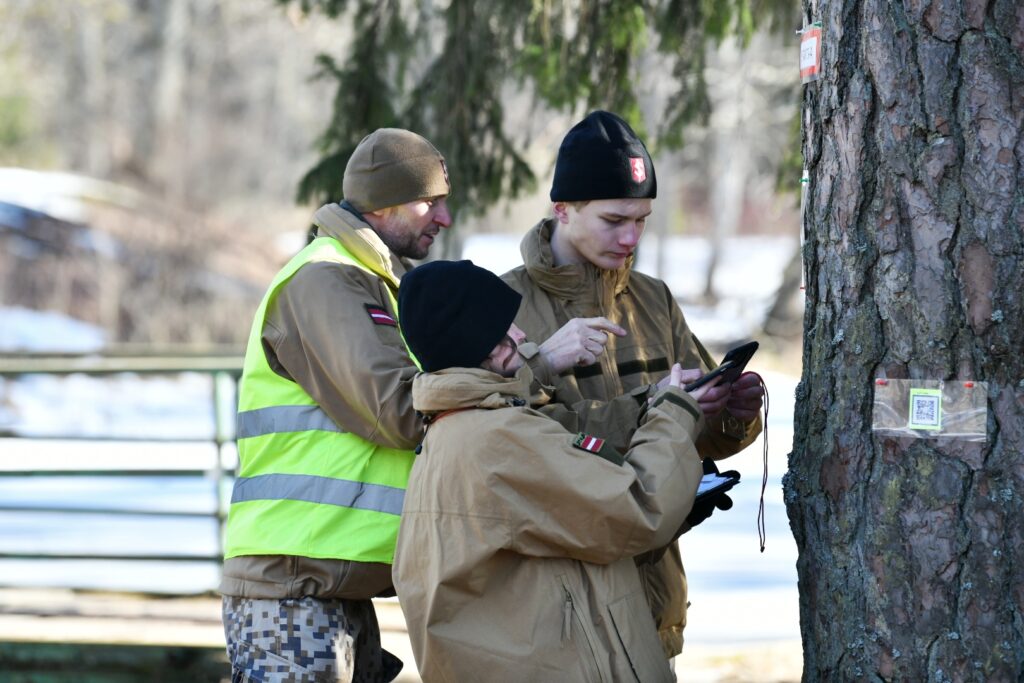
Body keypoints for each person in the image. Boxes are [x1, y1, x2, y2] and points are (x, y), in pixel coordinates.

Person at [501, 110, 765, 658]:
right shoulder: (503, 304)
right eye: (614, 219)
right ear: (563, 209)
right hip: (560, 608)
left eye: (642, 220)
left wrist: (730, 412)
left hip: (652, 599)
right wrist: (662, 409)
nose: (631, 237)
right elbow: (509, 443)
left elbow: (701, 435)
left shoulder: (653, 298)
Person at [392, 260, 719, 682]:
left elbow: (574, 540)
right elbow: (638, 508)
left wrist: (684, 504)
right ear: (485, 343)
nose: (524, 335)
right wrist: (674, 412)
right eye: (509, 327)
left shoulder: (461, 430)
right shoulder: (495, 438)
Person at [219, 128, 455, 682]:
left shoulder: (377, 283)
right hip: (292, 587)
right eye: (431, 202)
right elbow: (398, 411)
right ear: (382, 202)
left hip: (331, 585)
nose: (443, 218)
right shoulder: (324, 280)